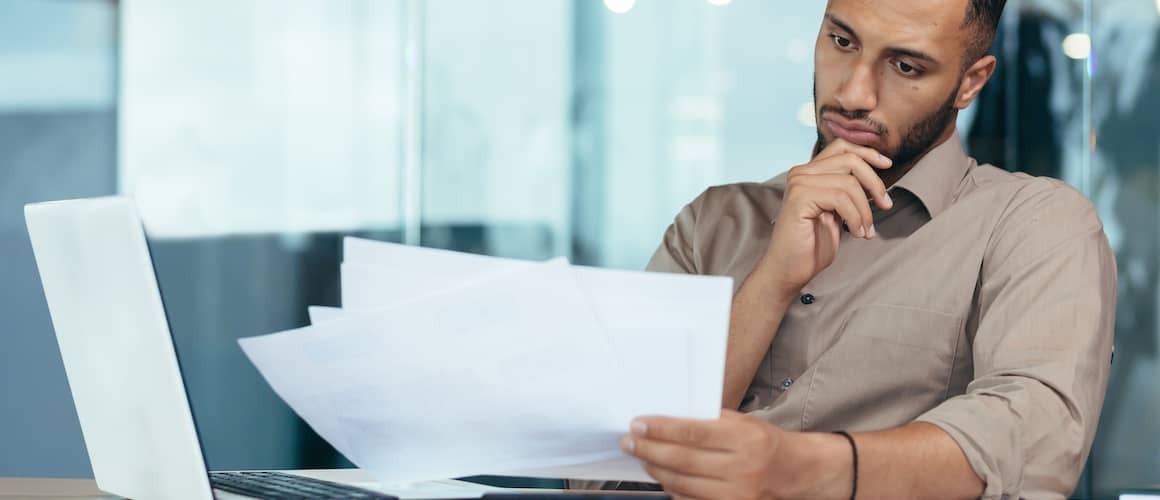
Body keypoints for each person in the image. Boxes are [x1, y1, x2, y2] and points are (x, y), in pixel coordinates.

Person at [572, 0, 1117, 498]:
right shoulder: (711, 224)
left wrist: (797, 467)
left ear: (970, 83)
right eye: (842, 42)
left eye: (906, 67)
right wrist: (772, 280)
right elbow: (599, 474)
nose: (853, 94)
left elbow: (1033, 442)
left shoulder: (1035, 225)